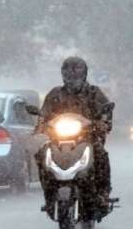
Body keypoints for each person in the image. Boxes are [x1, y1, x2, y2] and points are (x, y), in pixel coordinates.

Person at [34, 56, 113, 216]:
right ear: (63, 73)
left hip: (87, 138)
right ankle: (49, 195)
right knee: (41, 155)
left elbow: (106, 112)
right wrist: (40, 125)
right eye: (68, 70)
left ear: (84, 73)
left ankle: (103, 193)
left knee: (101, 155)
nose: (72, 74)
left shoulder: (93, 93)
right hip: (58, 140)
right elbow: (44, 114)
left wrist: (103, 123)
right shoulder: (55, 94)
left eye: (76, 70)